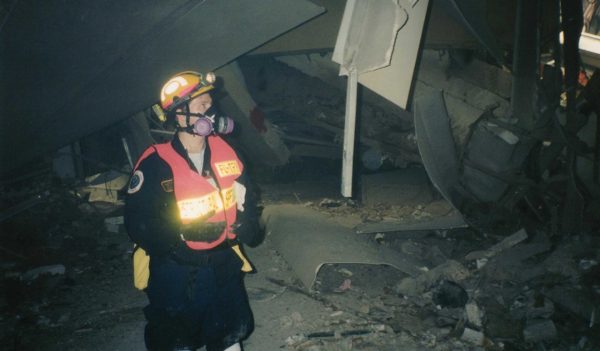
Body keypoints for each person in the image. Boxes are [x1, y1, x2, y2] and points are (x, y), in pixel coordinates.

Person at [124, 71, 259, 351]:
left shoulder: (228, 153)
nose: (209, 112)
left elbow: (246, 198)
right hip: (177, 269)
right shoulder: (155, 163)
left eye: (210, 104)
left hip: (223, 262)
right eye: (201, 106)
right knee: (177, 339)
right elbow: (137, 223)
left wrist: (249, 225)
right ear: (179, 116)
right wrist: (180, 235)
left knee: (230, 332)